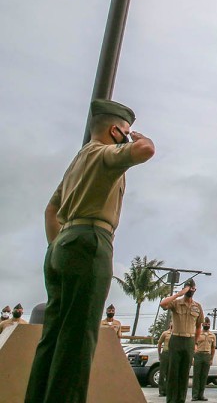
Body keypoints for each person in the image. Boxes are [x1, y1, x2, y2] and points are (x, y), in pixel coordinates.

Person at [26, 99, 154, 403]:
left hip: (62, 244)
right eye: (125, 131)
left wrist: (57, 245)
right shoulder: (104, 154)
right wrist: (139, 140)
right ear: (115, 131)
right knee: (78, 340)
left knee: (52, 338)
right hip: (91, 241)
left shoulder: (79, 160)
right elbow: (146, 151)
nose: (128, 135)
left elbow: (51, 209)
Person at [160, 279, 204, 403]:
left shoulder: (197, 306)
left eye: (192, 288)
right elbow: (163, 304)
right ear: (185, 289)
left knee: (184, 374)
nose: (190, 290)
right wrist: (179, 293)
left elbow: (199, 326)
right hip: (176, 339)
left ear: (195, 289)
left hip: (189, 341)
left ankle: (181, 400)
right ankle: (171, 400)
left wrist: (195, 342)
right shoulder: (176, 303)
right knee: (173, 373)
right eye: (188, 288)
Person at [192, 317, 215, 401]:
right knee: (196, 376)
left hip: (207, 356)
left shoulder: (212, 335)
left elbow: (213, 348)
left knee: (204, 377)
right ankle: (195, 395)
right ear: (202, 324)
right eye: (205, 324)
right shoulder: (197, 334)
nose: (207, 325)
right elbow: (193, 344)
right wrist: (193, 357)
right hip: (198, 355)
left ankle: (201, 395)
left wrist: (211, 359)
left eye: (208, 324)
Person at [158, 322, 173, 397]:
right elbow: (159, 343)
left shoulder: (177, 334)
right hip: (165, 353)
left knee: (170, 373)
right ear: (169, 324)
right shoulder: (165, 333)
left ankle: (168, 391)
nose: (173, 324)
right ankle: (161, 391)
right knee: (162, 373)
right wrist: (159, 354)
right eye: (171, 323)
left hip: (173, 354)